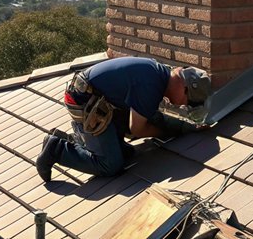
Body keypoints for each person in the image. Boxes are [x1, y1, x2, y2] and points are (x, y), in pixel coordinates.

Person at [36, 56, 212, 183]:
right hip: (85, 102)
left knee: (127, 153)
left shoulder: (160, 74)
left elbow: (151, 115)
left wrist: (185, 127)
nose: (184, 105)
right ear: (184, 88)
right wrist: (165, 132)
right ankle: (57, 149)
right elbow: (137, 129)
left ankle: (80, 140)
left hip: (99, 100)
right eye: (188, 102)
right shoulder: (152, 84)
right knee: (110, 165)